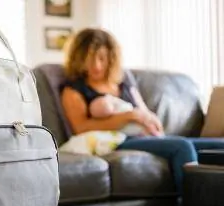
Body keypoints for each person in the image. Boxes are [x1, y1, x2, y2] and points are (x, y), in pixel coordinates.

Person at [60, 28, 224, 192]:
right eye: (89, 59)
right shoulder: (74, 89)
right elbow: (81, 127)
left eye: (102, 58)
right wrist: (129, 116)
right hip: (118, 141)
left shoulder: (124, 84)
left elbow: (145, 113)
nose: (96, 65)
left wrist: (151, 122)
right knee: (181, 147)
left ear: (111, 57)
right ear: (79, 59)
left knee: (218, 145)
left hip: (146, 135)